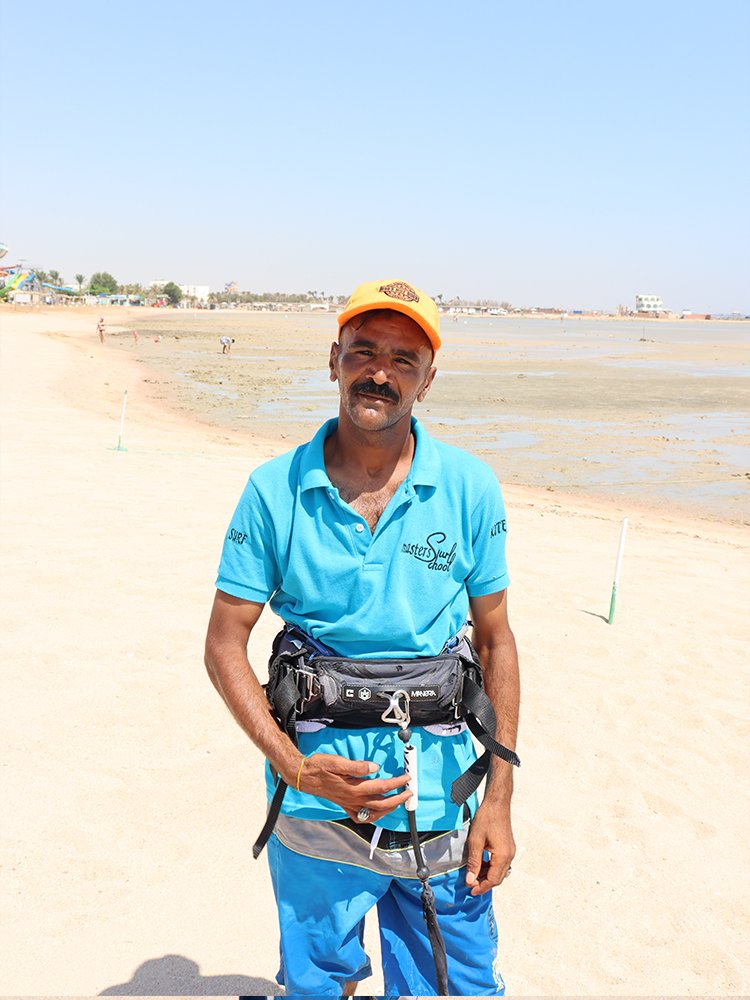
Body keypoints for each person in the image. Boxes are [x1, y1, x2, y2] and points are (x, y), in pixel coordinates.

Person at [204, 279, 520, 997]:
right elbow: (224, 643)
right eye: (364, 351)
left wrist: (499, 800)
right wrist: (293, 766)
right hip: (315, 807)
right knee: (317, 985)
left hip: (442, 801)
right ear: (334, 360)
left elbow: (497, 642)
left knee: (455, 986)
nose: (381, 371)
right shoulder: (273, 489)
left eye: (404, 359)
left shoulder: (471, 487)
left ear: (428, 379)